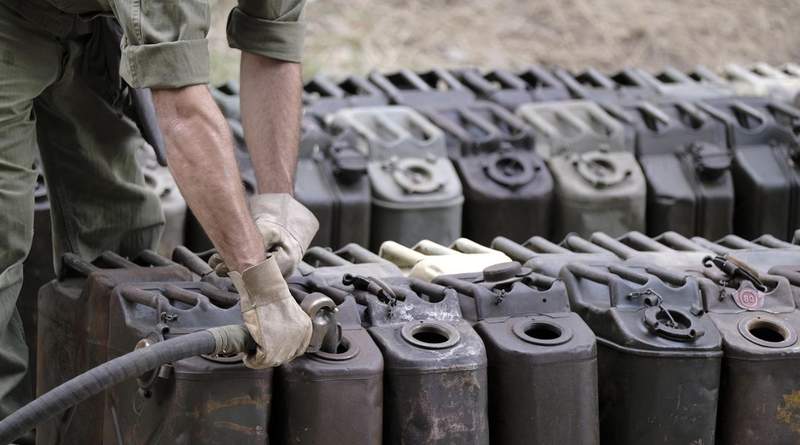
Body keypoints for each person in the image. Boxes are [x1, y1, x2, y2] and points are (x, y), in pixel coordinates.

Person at [0, 0, 318, 441]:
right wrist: (257, 281)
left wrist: (277, 200)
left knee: (120, 244)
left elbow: (272, 42)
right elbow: (183, 111)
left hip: (96, 24)